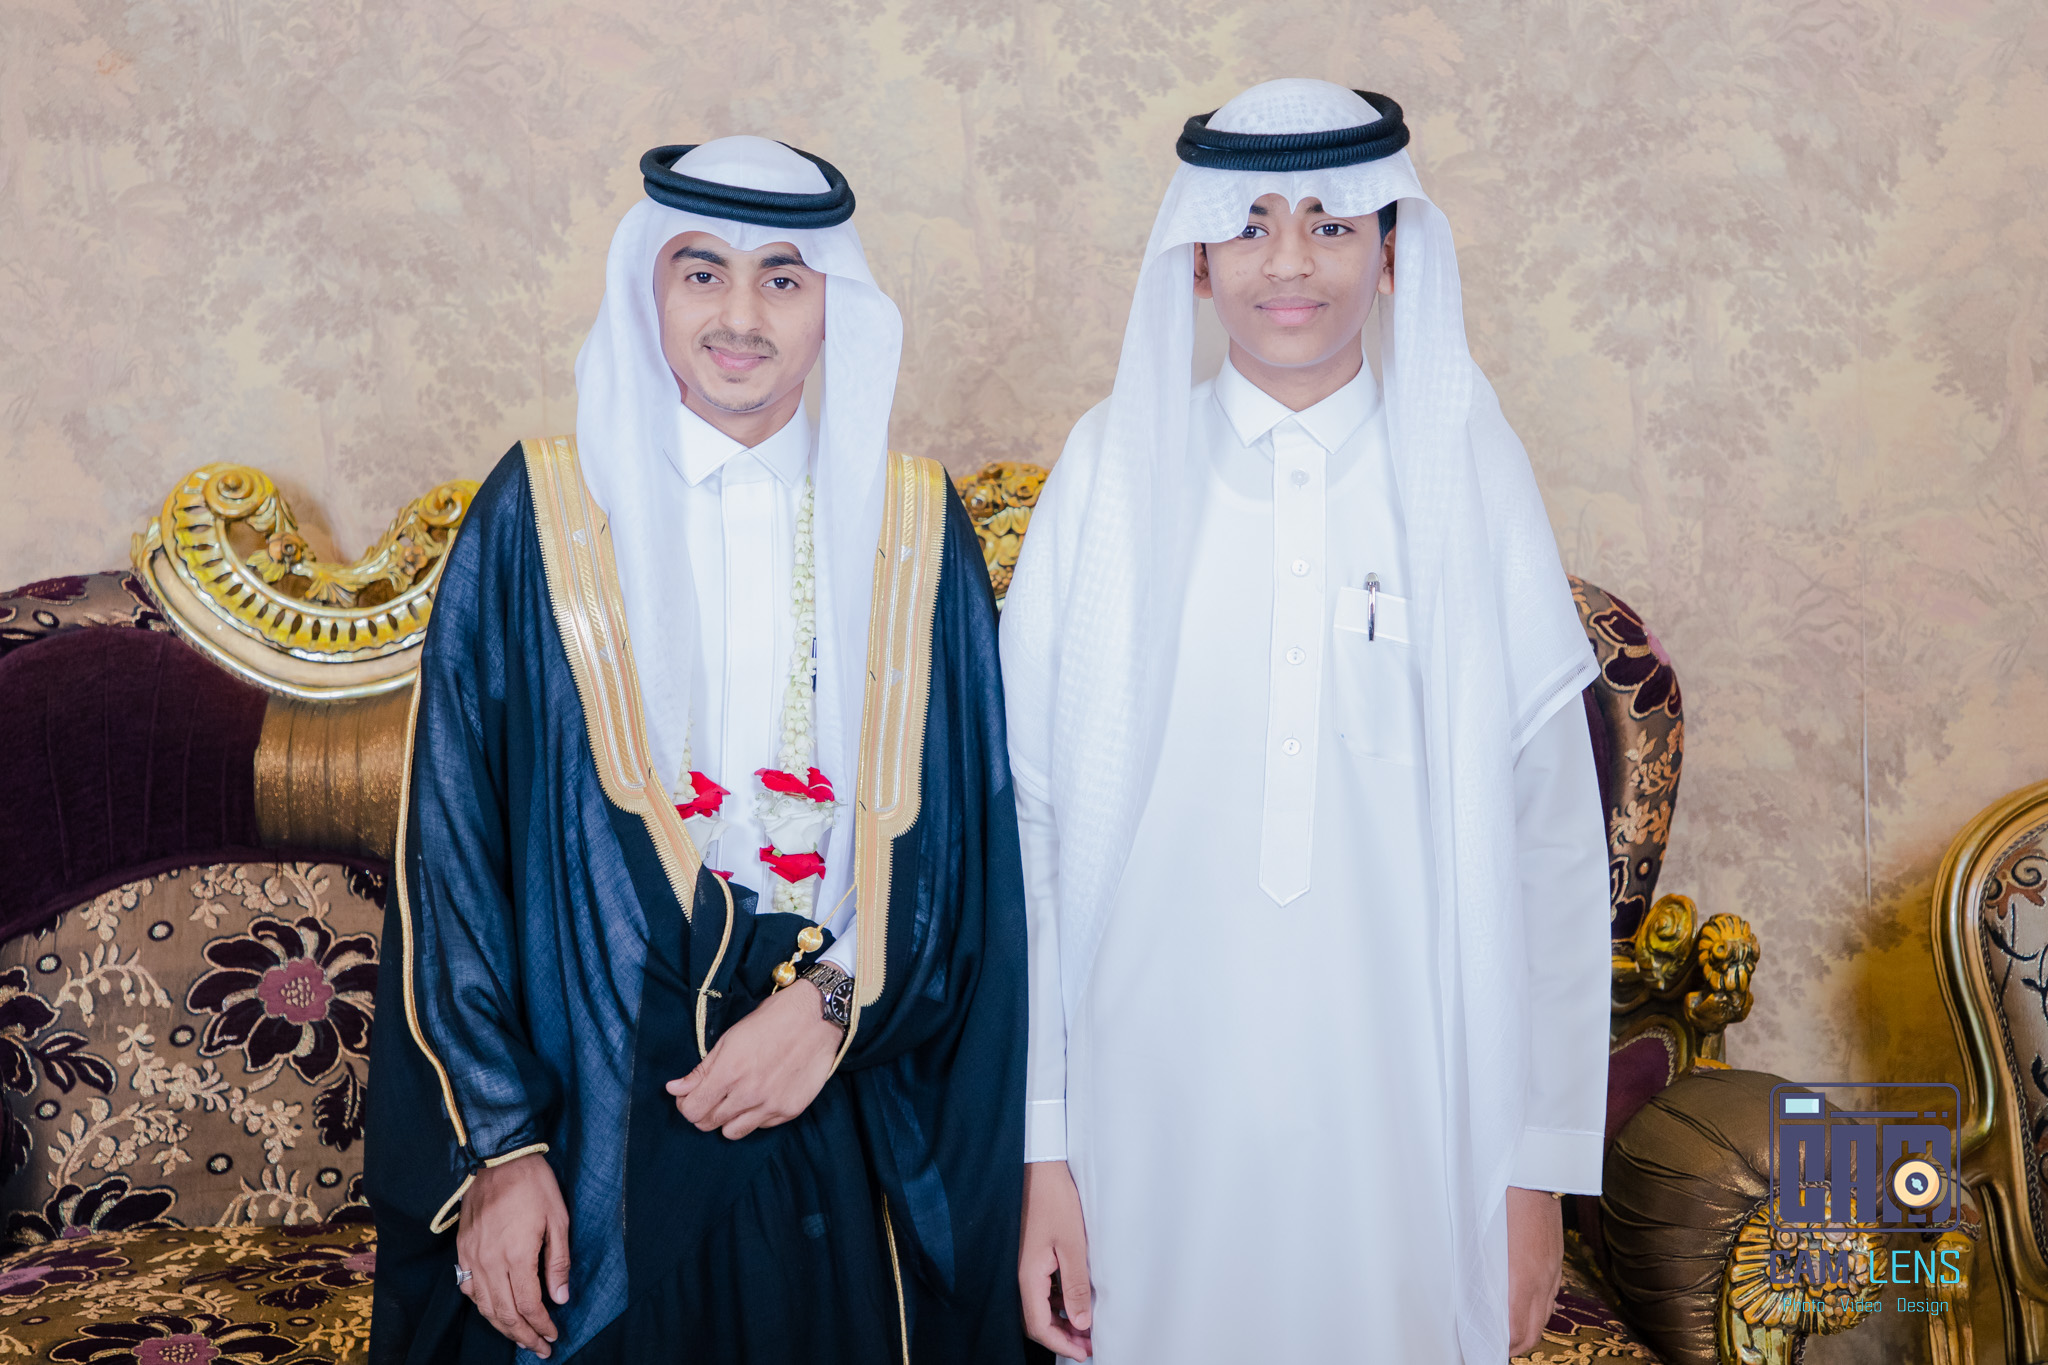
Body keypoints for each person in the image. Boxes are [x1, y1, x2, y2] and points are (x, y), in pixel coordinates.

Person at [364, 135, 1029, 1364]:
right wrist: (500, 1149)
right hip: (589, 1110)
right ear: (649, 292)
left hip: (835, 1099)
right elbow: (451, 853)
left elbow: (965, 848)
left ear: (832, 304)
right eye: (701, 272)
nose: (740, 317)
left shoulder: (911, 529)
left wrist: (832, 1006)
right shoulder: (541, 515)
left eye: (782, 277)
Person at [1001, 80, 1611, 1362]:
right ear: (1194, 261)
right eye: (1251, 225)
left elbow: (1550, 848)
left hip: (1412, 1114)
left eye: (1331, 226)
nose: (1288, 263)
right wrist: (1042, 1152)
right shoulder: (1111, 473)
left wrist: (1535, 1172)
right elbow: (1033, 835)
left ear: (1390, 255)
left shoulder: (1464, 472)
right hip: (1144, 1112)